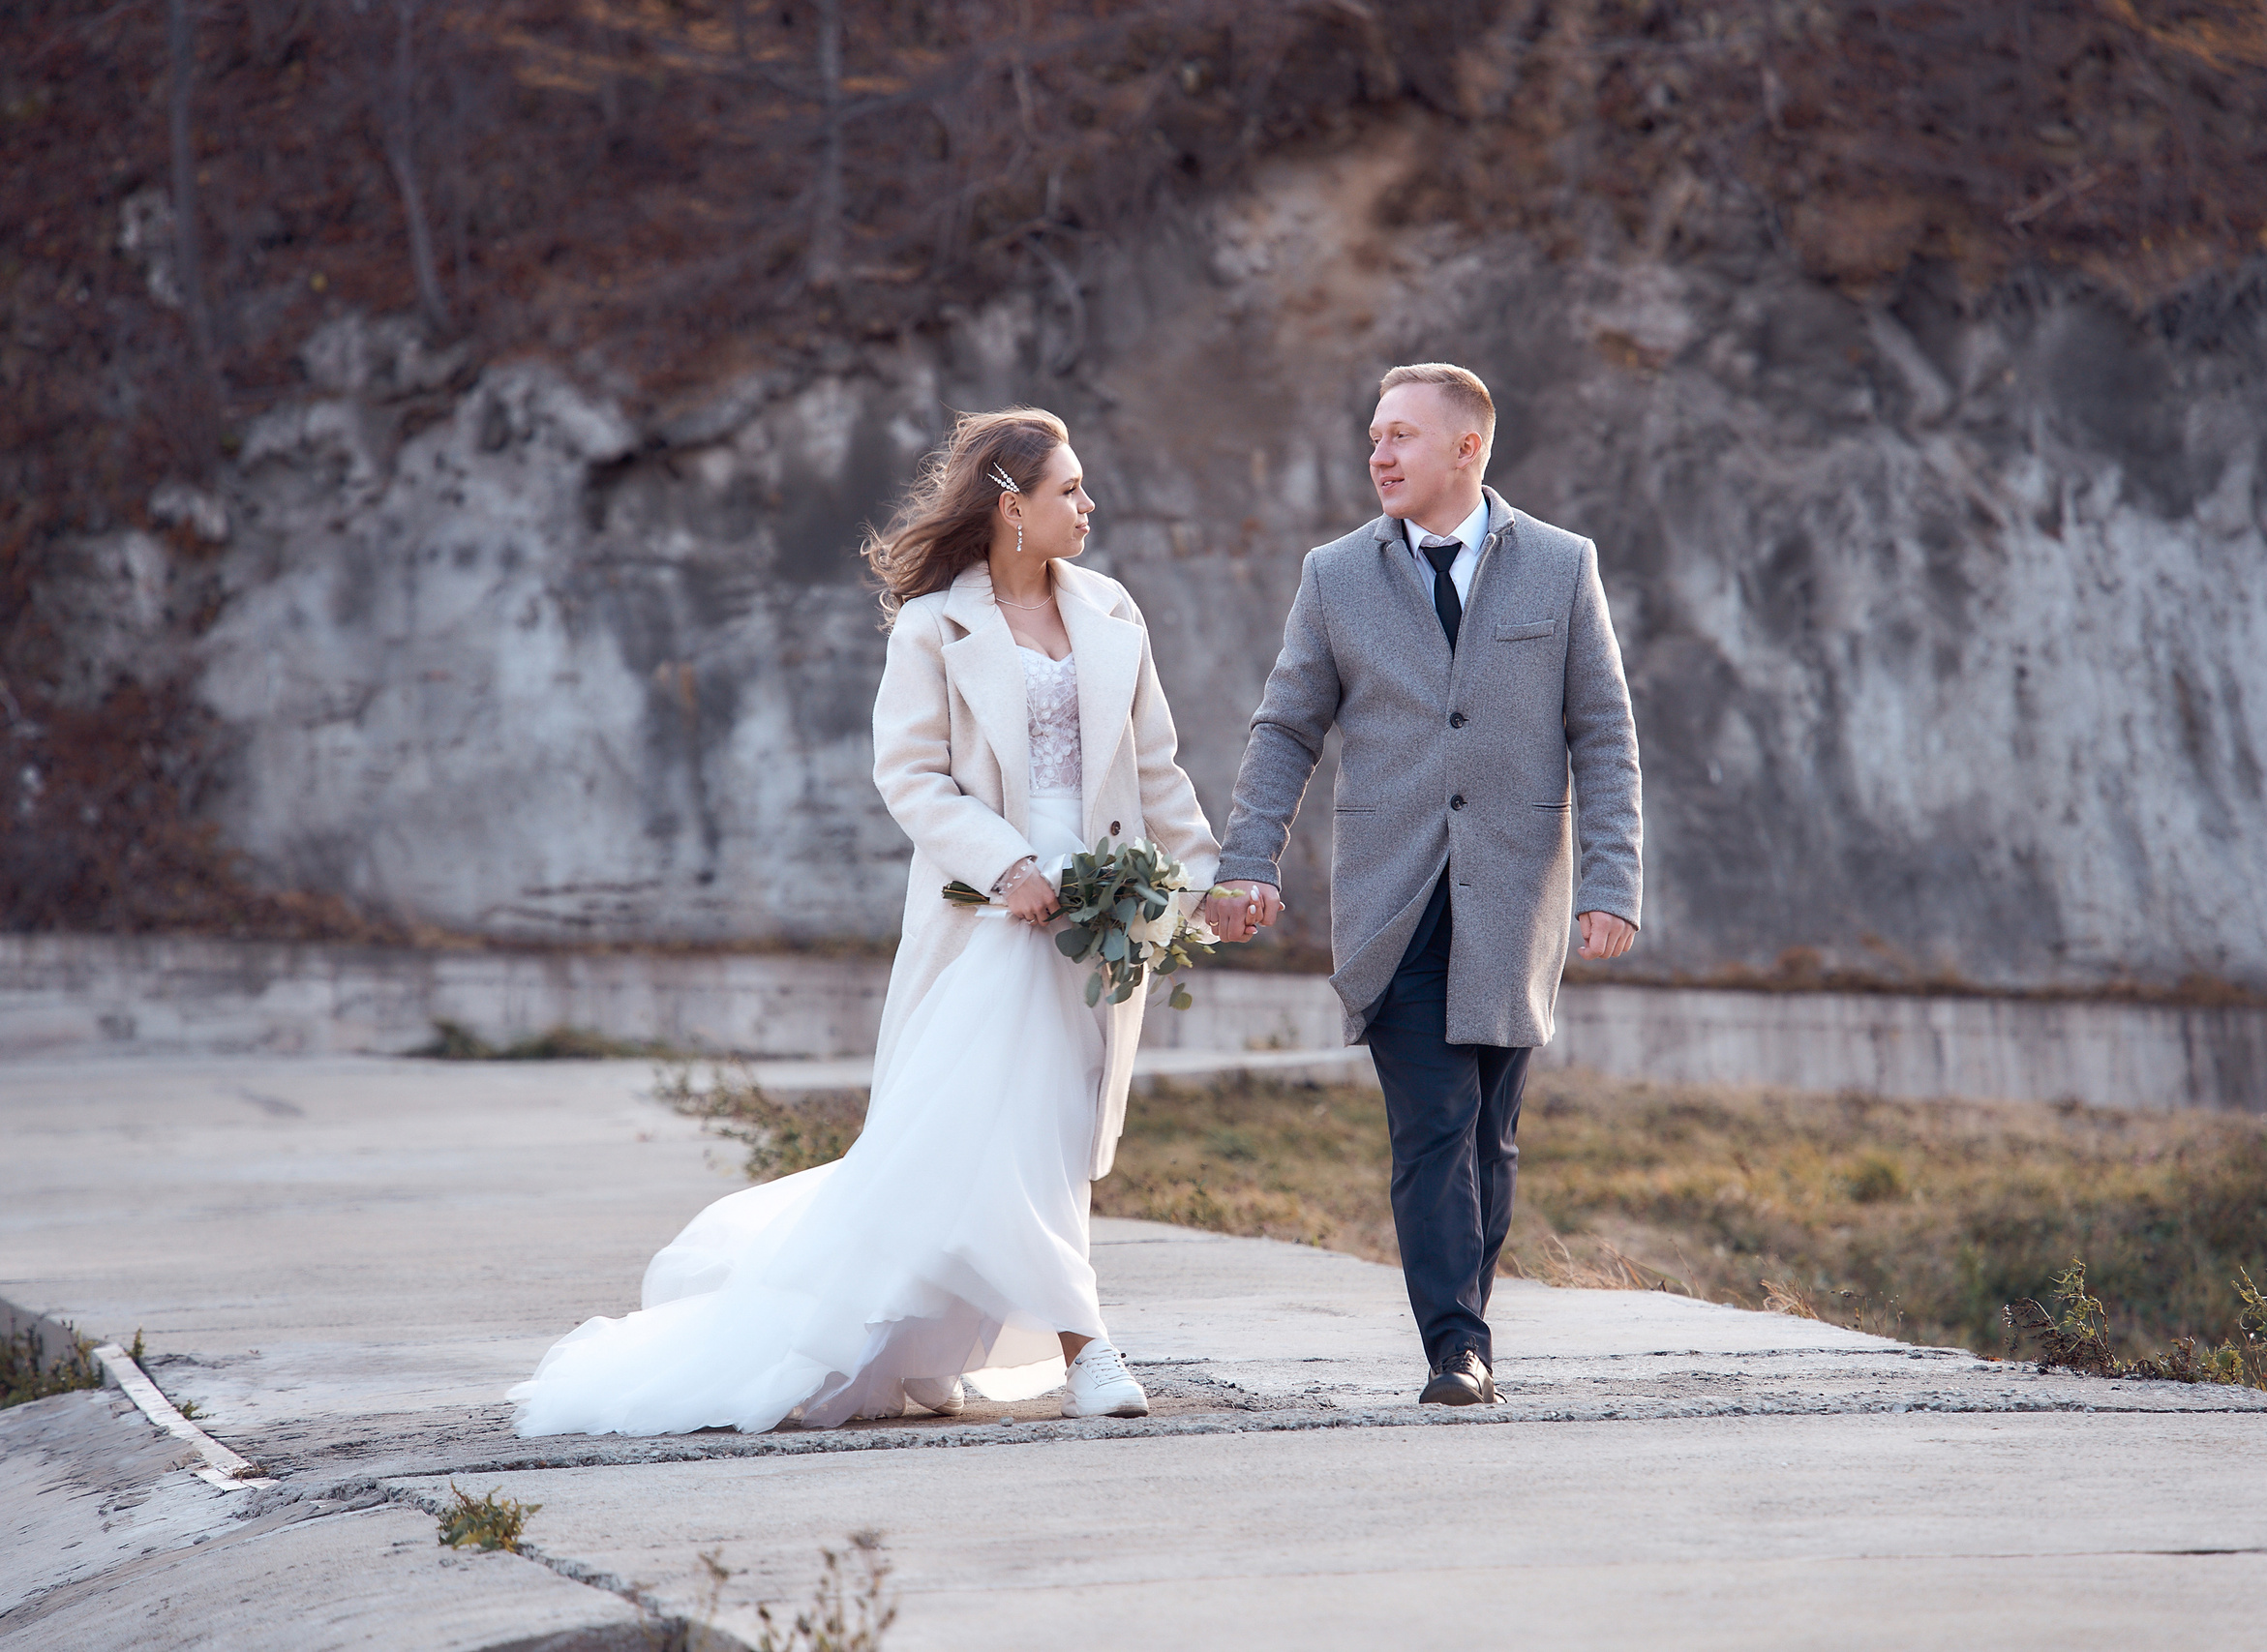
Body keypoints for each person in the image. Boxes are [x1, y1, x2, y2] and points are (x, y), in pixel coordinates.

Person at [508, 407, 1220, 1436]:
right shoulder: (934, 627)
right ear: (1011, 508)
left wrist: (1205, 885)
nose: (1088, 504)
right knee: (1015, 1132)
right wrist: (1008, 864)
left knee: (1043, 1135)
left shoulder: (1112, 610)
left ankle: (914, 1343)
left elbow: (1157, 769)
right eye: (1068, 489)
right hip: (996, 922)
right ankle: (1088, 1349)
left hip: (1101, 922)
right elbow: (911, 777)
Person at [1203, 363, 1643, 1406]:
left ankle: (1466, 1327)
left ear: (1466, 448)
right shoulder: (1334, 575)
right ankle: (1456, 1346)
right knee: (1433, 1124)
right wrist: (1247, 858)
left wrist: (1613, 879)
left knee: (1490, 1135)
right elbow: (1286, 727)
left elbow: (1603, 731)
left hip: (1515, 895)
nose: (1380, 455)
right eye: (1374, 437)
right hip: (1390, 897)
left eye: (1400, 435)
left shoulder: (1561, 565)